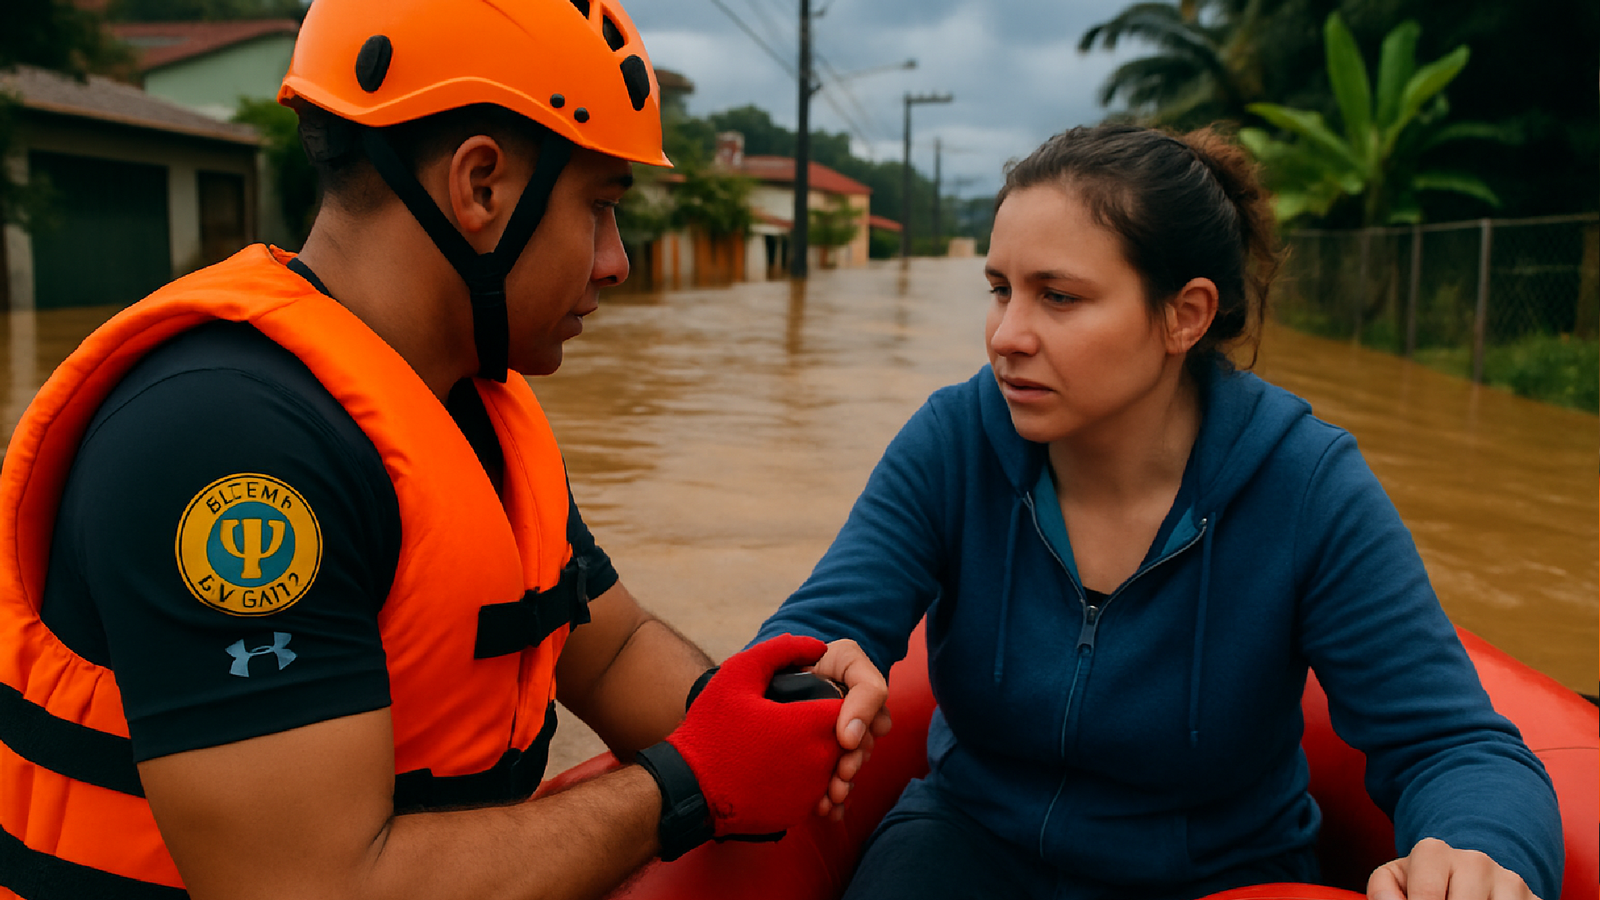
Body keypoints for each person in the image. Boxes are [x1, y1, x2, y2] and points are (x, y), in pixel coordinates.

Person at [0, 1, 886, 898]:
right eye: (602, 208)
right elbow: (310, 886)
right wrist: (685, 789)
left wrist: (765, 711)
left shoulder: (471, 407)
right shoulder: (227, 445)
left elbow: (611, 648)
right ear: (481, 187)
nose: (617, 261)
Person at [750, 123, 1564, 900]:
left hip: (1224, 874)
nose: (1006, 335)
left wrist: (1476, 851)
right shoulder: (954, 440)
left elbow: (1452, 744)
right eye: (1001, 290)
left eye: (1059, 297)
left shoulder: (1306, 484)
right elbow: (825, 624)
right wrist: (809, 673)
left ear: (1186, 315)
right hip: (968, 841)